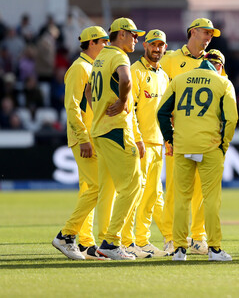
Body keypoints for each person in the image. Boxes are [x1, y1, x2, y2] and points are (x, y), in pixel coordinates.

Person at [157, 50, 238, 262]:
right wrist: (224, 144)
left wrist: (170, 139)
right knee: (211, 199)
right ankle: (214, 249)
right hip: (210, 146)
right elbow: (232, 119)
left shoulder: (180, 80)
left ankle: (180, 250)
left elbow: (162, 112)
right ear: (219, 65)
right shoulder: (223, 83)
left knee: (182, 199)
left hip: (183, 146)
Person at [86, 18, 144, 260]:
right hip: (116, 131)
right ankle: (111, 242)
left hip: (100, 129)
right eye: (133, 35)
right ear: (121, 34)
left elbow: (88, 90)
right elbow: (126, 80)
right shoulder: (119, 56)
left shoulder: (100, 58)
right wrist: (121, 102)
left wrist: (97, 110)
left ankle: (107, 241)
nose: (136, 39)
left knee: (115, 188)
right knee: (133, 185)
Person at [51, 26, 109, 260]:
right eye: (104, 41)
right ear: (92, 43)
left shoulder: (92, 67)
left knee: (90, 189)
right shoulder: (79, 68)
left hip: (92, 136)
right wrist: (83, 137)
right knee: (96, 188)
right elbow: (72, 106)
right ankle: (66, 235)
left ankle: (85, 242)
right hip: (83, 137)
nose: (107, 45)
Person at [120, 30, 170, 258]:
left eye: (161, 45)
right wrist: (137, 139)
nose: (157, 49)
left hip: (158, 143)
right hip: (140, 144)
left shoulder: (164, 75)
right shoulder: (135, 71)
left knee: (150, 196)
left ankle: (142, 240)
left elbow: (167, 114)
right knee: (135, 194)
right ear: (146, 46)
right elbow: (130, 111)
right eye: (153, 44)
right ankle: (127, 241)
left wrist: (168, 139)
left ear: (165, 48)